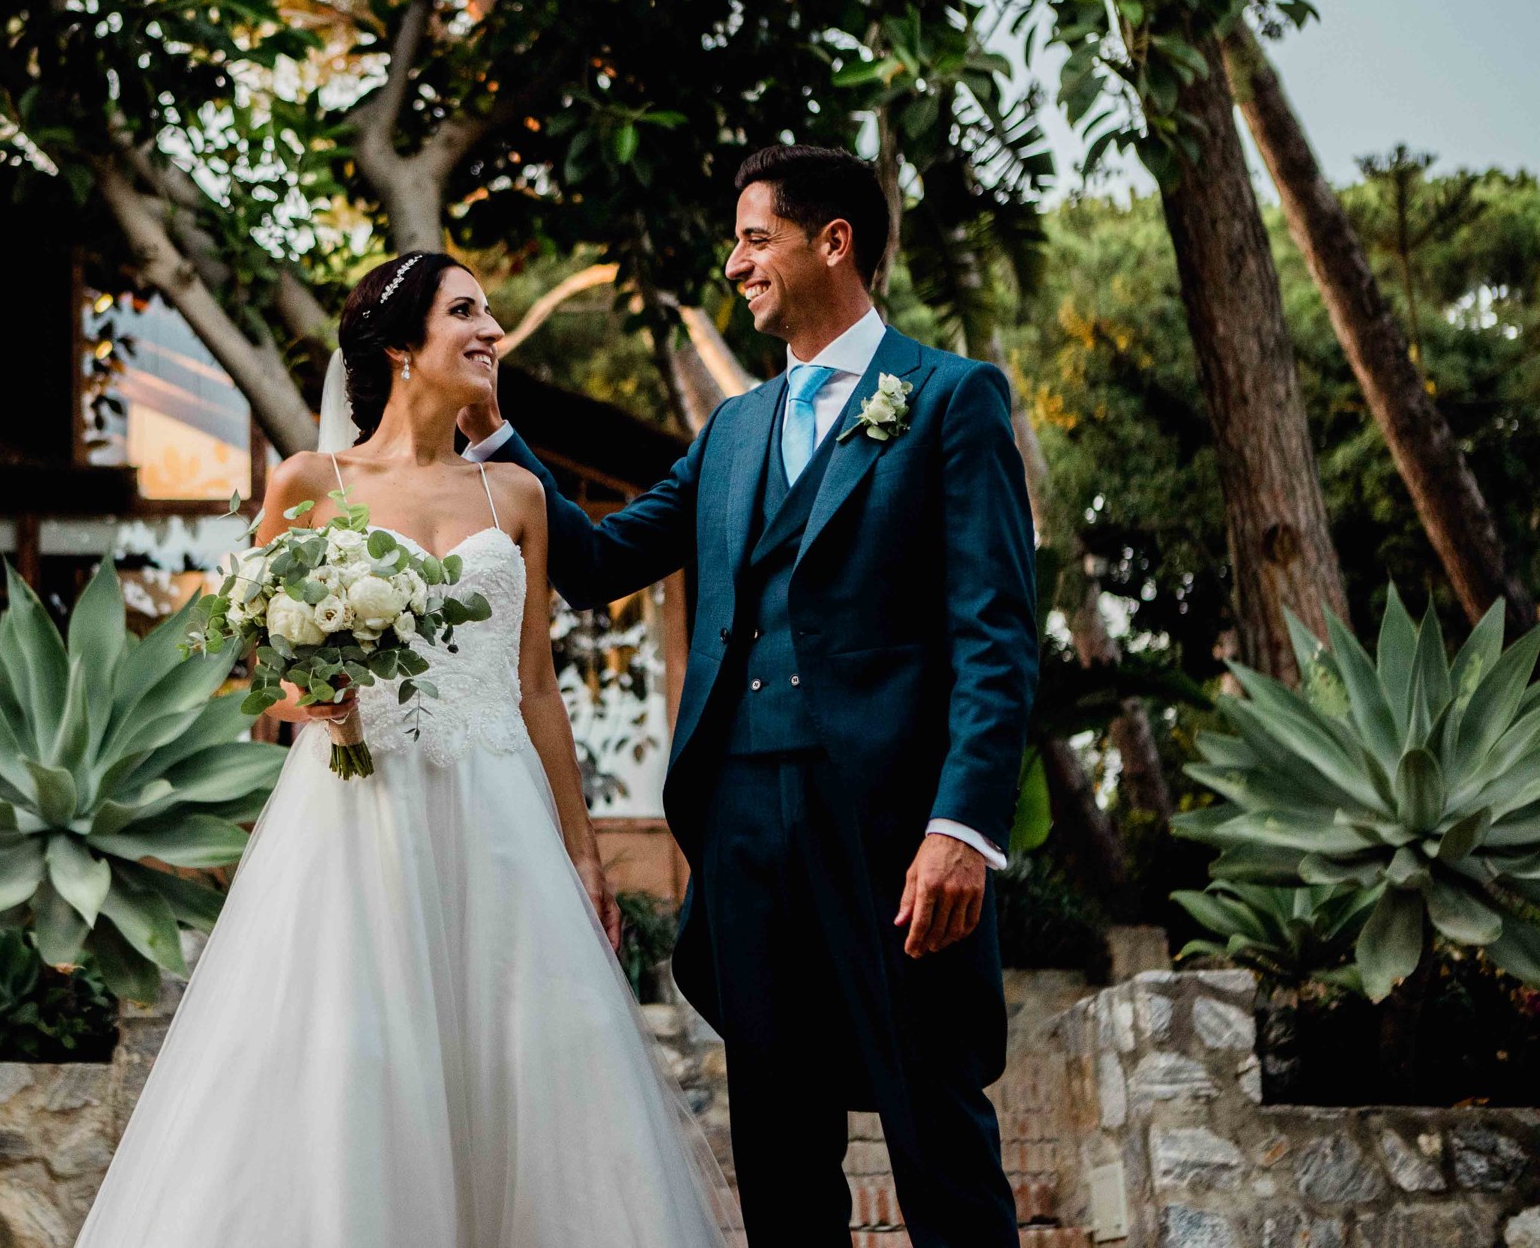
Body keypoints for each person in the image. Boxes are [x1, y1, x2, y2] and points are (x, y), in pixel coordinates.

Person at [73, 252, 733, 1248]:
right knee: (358, 1063)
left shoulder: (515, 494)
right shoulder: (309, 481)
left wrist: (584, 849)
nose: (491, 331)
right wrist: (315, 700)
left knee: (526, 1064)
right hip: (359, 812)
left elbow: (537, 687)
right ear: (399, 348)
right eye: (465, 311)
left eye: (489, 312)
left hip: (500, 818)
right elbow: (263, 667)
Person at [459, 144, 1039, 1247]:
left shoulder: (951, 397)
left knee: (936, 1133)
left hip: (888, 829)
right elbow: (596, 560)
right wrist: (491, 431)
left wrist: (960, 825)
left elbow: (995, 631)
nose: (734, 264)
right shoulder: (732, 430)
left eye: (755, 238)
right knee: (777, 1148)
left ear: (835, 243)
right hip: (739, 827)